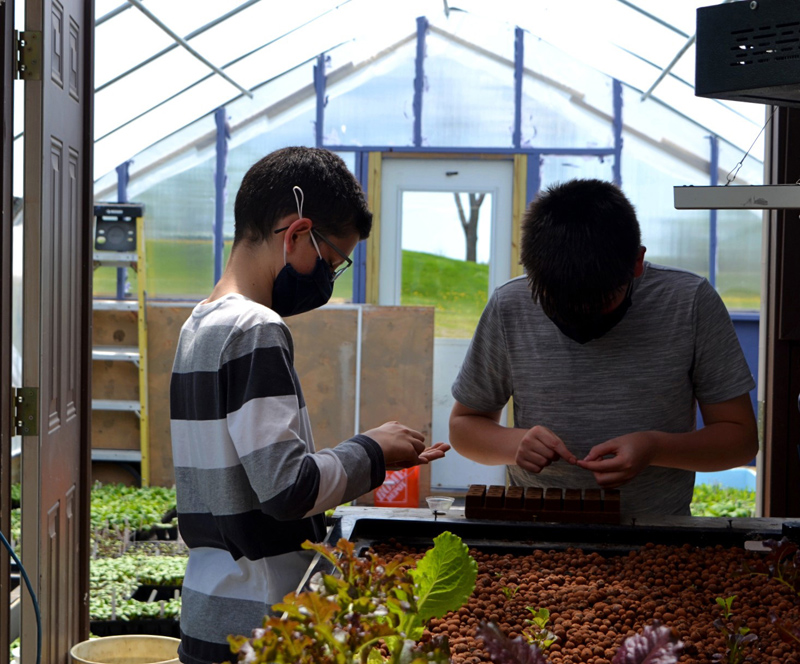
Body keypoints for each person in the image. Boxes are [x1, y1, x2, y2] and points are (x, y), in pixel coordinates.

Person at [170, 146, 449, 664]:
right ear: (296, 233)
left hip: (209, 612)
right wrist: (374, 451)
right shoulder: (256, 329)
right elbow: (286, 490)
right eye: (332, 262)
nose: (327, 279)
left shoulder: (199, 325)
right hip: (260, 622)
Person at [449, 178, 757, 518]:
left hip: (656, 532)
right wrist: (514, 444)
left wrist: (655, 448)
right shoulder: (511, 305)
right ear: (531, 272)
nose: (580, 320)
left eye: (599, 304)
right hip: (536, 529)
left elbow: (740, 440)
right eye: (557, 307)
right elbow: (464, 427)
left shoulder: (689, 303)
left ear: (637, 264)